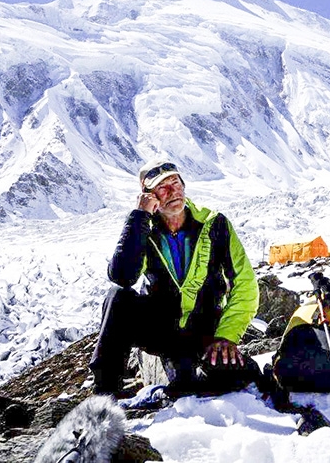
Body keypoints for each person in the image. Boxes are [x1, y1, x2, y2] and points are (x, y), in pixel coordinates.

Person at [89, 158, 260, 397]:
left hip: (203, 329)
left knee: (205, 384)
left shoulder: (214, 224)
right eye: (163, 187)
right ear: (150, 197)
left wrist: (226, 336)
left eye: (176, 183)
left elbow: (245, 283)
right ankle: (104, 396)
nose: (173, 191)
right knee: (118, 298)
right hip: (161, 328)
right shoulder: (145, 229)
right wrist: (139, 217)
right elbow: (122, 276)